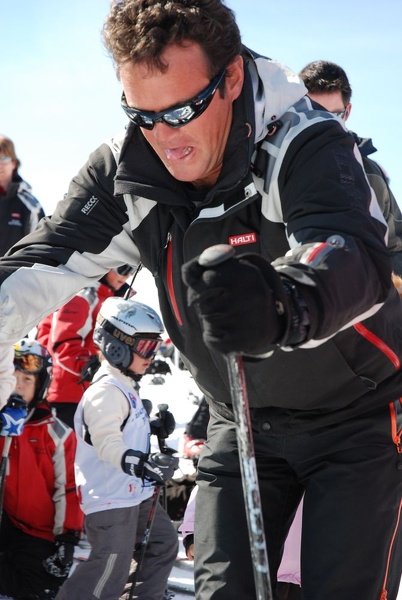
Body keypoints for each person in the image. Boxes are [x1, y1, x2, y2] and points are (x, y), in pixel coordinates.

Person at [0, 1, 400, 599]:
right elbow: (37, 265)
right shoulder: (125, 170)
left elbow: (353, 252)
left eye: (183, 110)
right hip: (239, 421)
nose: (165, 137)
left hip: (356, 416)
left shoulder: (304, 139)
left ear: (231, 77)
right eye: (142, 114)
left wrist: (282, 302)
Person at [54, 296, 178, 600]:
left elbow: (122, 430)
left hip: (135, 493)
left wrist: (151, 427)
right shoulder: (105, 391)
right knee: (108, 569)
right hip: (111, 499)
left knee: (160, 545)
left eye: (155, 346)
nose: (151, 355)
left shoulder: (123, 384)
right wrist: (140, 463)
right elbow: (106, 441)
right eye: (146, 346)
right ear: (116, 347)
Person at [299, 60, 402, 275]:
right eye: (313, 113)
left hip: (359, 292)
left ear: (347, 112)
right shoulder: (270, 169)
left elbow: (396, 248)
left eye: (332, 116)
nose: (322, 125)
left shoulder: (371, 175)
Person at [0, 338, 83, 600]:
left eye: (27, 379)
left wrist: (67, 538)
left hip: (40, 533)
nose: (18, 386)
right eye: (12, 378)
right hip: (6, 522)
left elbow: (68, 488)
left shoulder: (56, 433)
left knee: (36, 589)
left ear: (41, 385)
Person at [36, 266, 134, 428]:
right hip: (68, 392)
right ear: (105, 266)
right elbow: (63, 344)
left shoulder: (107, 298)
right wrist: (92, 370)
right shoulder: (83, 295)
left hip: (89, 391)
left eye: (131, 270)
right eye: (122, 268)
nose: (126, 276)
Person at [0, 134, 45, 257]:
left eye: (4, 159)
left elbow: (38, 248)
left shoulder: (32, 206)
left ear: (14, 163)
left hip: (14, 269)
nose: (0, 165)